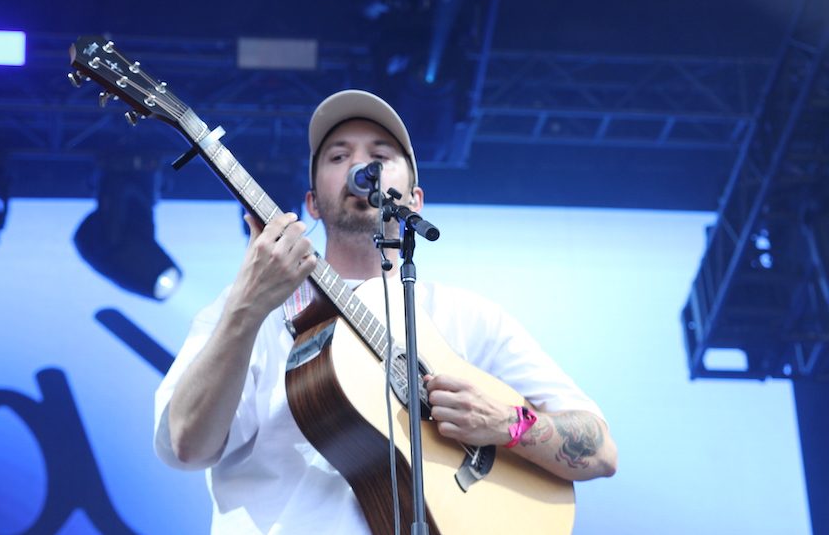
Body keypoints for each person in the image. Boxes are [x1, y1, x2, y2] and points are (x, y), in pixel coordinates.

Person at [154, 89, 618, 534]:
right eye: (338, 157)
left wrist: (508, 424)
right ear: (312, 202)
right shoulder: (250, 306)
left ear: (415, 199)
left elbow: (600, 450)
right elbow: (186, 448)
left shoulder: (469, 317)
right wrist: (244, 310)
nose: (361, 164)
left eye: (380, 153)